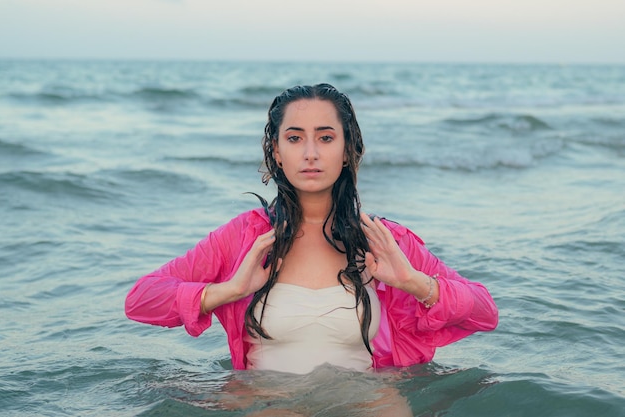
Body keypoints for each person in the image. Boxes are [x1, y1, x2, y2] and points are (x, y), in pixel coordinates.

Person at [125, 83, 498, 375]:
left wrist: (414, 282)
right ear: (276, 151)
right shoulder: (244, 238)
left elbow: (485, 312)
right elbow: (141, 300)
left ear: (348, 148)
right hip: (272, 400)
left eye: (325, 137)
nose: (310, 153)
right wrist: (230, 290)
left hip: (369, 399)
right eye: (294, 138)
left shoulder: (384, 241)